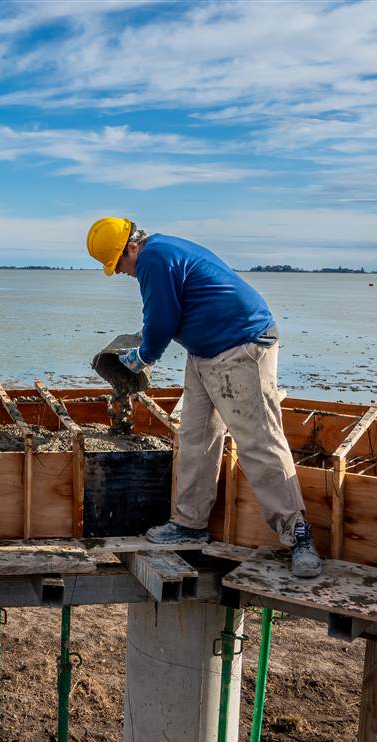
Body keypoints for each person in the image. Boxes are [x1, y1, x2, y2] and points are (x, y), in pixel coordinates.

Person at [85, 217, 323, 578]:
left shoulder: (155, 259)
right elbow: (174, 310)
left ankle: (298, 535)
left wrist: (143, 356)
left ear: (132, 247)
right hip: (204, 353)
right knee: (195, 435)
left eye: (118, 264)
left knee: (259, 441)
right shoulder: (161, 253)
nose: (121, 273)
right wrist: (144, 343)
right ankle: (190, 522)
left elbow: (163, 319)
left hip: (241, 346)